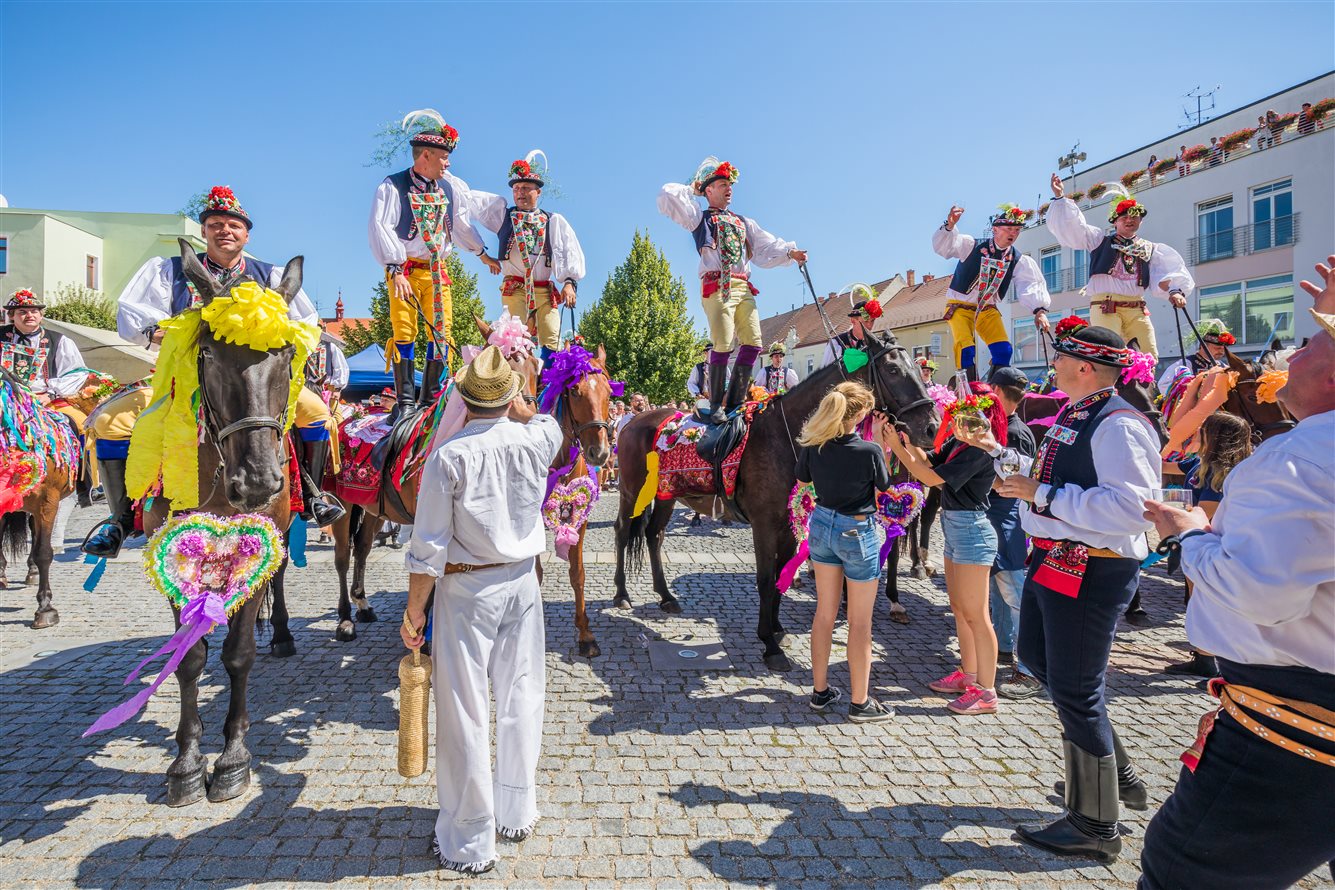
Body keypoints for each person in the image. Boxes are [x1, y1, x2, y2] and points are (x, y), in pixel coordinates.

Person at [1138, 256, 1335, 889]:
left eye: (1310, 344)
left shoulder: (1299, 459)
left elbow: (1258, 592)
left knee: (1182, 872)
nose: (1289, 356)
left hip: (1295, 727)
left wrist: (1189, 536)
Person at [967, 324, 1160, 863]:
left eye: (1060, 359)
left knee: (1076, 688)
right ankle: (1116, 779)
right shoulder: (1077, 415)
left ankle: (1095, 826)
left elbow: (1134, 509)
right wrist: (996, 451)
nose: (1052, 367)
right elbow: (1048, 478)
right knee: (1037, 658)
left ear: (1084, 367)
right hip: (1057, 560)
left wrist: (1043, 493)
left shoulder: (1119, 424)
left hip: (1094, 568)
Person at [84, 186, 342, 559]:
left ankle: (313, 497)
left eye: (234, 225)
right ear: (203, 232)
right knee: (109, 422)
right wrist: (160, 333)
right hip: (179, 380)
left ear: (246, 235)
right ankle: (120, 518)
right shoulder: (168, 271)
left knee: (317, 412)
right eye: (216, 224)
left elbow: (304, 326)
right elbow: (134, 317)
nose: (225, 230)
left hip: (255, 381)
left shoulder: (269, 276)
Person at [399, 345, 563, 876]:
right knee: (522, 694)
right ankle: (516, 809)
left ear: (463, 401)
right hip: (523, 581)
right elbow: (548, 423)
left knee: (464, 708)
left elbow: (427, 548)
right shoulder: (537, 438)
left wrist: (414, 613)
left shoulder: (448, 456)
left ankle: (470, 836)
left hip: (468, 588)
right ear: (510, 398)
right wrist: (523, 405)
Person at [368, 110, 498, 421]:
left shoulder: (448, 188)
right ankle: (406, 402)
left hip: (438, 272)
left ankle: (430, 398)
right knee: (404, 329)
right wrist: (394, 269)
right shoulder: (393, 186)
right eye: (444, 157)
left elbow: (461, 226)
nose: (448, 164)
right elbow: (380, 227)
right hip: (406, 270)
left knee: (442, 332)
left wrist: (482, 253)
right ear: (425, 155)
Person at [888, 381, 1007, 715]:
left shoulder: (979, 450)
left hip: (972, 531)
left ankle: (986, 691)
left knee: (977, 616)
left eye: (969, 414)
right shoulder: (959, 442)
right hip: (956, 528)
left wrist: (897, 450)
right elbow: (929, 462)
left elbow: (930, 480)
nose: (960, 419)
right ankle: (968, 674)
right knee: (958, 608)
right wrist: (905, 442)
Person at [658, 158, 806, 422]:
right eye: (723, 184)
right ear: (709, 190)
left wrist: (790, 252)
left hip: (743, 285)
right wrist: (693, 188)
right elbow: (668, 194)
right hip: (717, 284)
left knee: (753, 342)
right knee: (724, 342)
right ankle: (716, 404)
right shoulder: (699, 218)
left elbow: (765, 247)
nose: (729, 189)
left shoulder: (743, 222)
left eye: (730, 185)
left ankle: (735, 401)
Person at [796, 381, 896, 724]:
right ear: (860, 414)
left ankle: (820, 691)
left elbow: (803, 480)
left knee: (824, 614)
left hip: (823, 525)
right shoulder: (869, 451)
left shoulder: (814, 444)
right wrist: (881, 442)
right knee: (859, 622)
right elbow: (884, 486)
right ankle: (860, 701)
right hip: (857, 530)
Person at [1046, 173, 1195, 358]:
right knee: (1110, 353)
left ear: (1141, 221)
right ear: (1115, 221)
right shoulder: (1099, 241)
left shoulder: (1150, 249)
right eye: (1124, 217)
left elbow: (1166, 273)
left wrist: (1175, 291)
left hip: (1137, 309)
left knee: (1148, 355)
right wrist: (1060, 197)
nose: (1129, 220)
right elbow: (1075, 227)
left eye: (1134, 217)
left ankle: (1146, 377)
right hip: (1106, 307)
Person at [1163, 410, 1253, 678]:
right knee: (1197, 600)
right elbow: (1163, 466)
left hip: (1211, 543)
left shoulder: (1221, 472)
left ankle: (1218, 662)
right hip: (1196, 541)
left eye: (1202, 429)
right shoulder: (1198, 462)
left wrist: (1170, 509)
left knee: (1209, 602)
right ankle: (1203, 657)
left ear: (1214, 436)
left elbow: (1205, 512)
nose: (1197, 432)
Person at [470, 153, 585, 360]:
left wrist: (569, 282)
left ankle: (549, 379)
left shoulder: (552, 221)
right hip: (515, 289)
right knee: (514, 340)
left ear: (538, 191)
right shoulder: (503, 216)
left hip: (544, 290)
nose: (520, 193)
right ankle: (518, 378)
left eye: (525, 188)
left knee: (552, 339)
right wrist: (482, 254)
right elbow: (466, 201)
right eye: (516, 189)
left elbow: (568, 250)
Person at [932, 204, 1051, 380]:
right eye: (1009, 229)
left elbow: (1030, 283)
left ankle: (995, 390)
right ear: (995, 229)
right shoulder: (971, 245)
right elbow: (945, 248)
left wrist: (1039, 310)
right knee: (966, 349)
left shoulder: (1018, 260)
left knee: (1004, 350)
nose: (1013, 234)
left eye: (1017, 230)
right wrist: (949, 226)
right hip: (960, 307)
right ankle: (968, 390)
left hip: (987, 310)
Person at [981, 367, 1042, 700]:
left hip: (1004, 518)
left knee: (1015, 592)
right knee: (998, 589)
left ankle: (1031, 667)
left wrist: (980, 480)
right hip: (998, 516)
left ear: (996, 391)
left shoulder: (1014, 432)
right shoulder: (1009, 427)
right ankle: (1004, 645)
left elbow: (1012, 481)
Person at [1156, 317, 1233, 391]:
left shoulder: (1223, 367)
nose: (1222, 352)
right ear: (1203, 346)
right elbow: (1163, 385)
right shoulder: (1185, 364)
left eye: (1223, 349)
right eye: (1217, 348)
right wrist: (1185, 389)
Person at [821, 299, 880, 367]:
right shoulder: (836, 344)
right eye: (865, 321)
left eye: (872, 321)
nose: (869, 325)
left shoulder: (876, 343)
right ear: (853, 321)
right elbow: (826, 371)